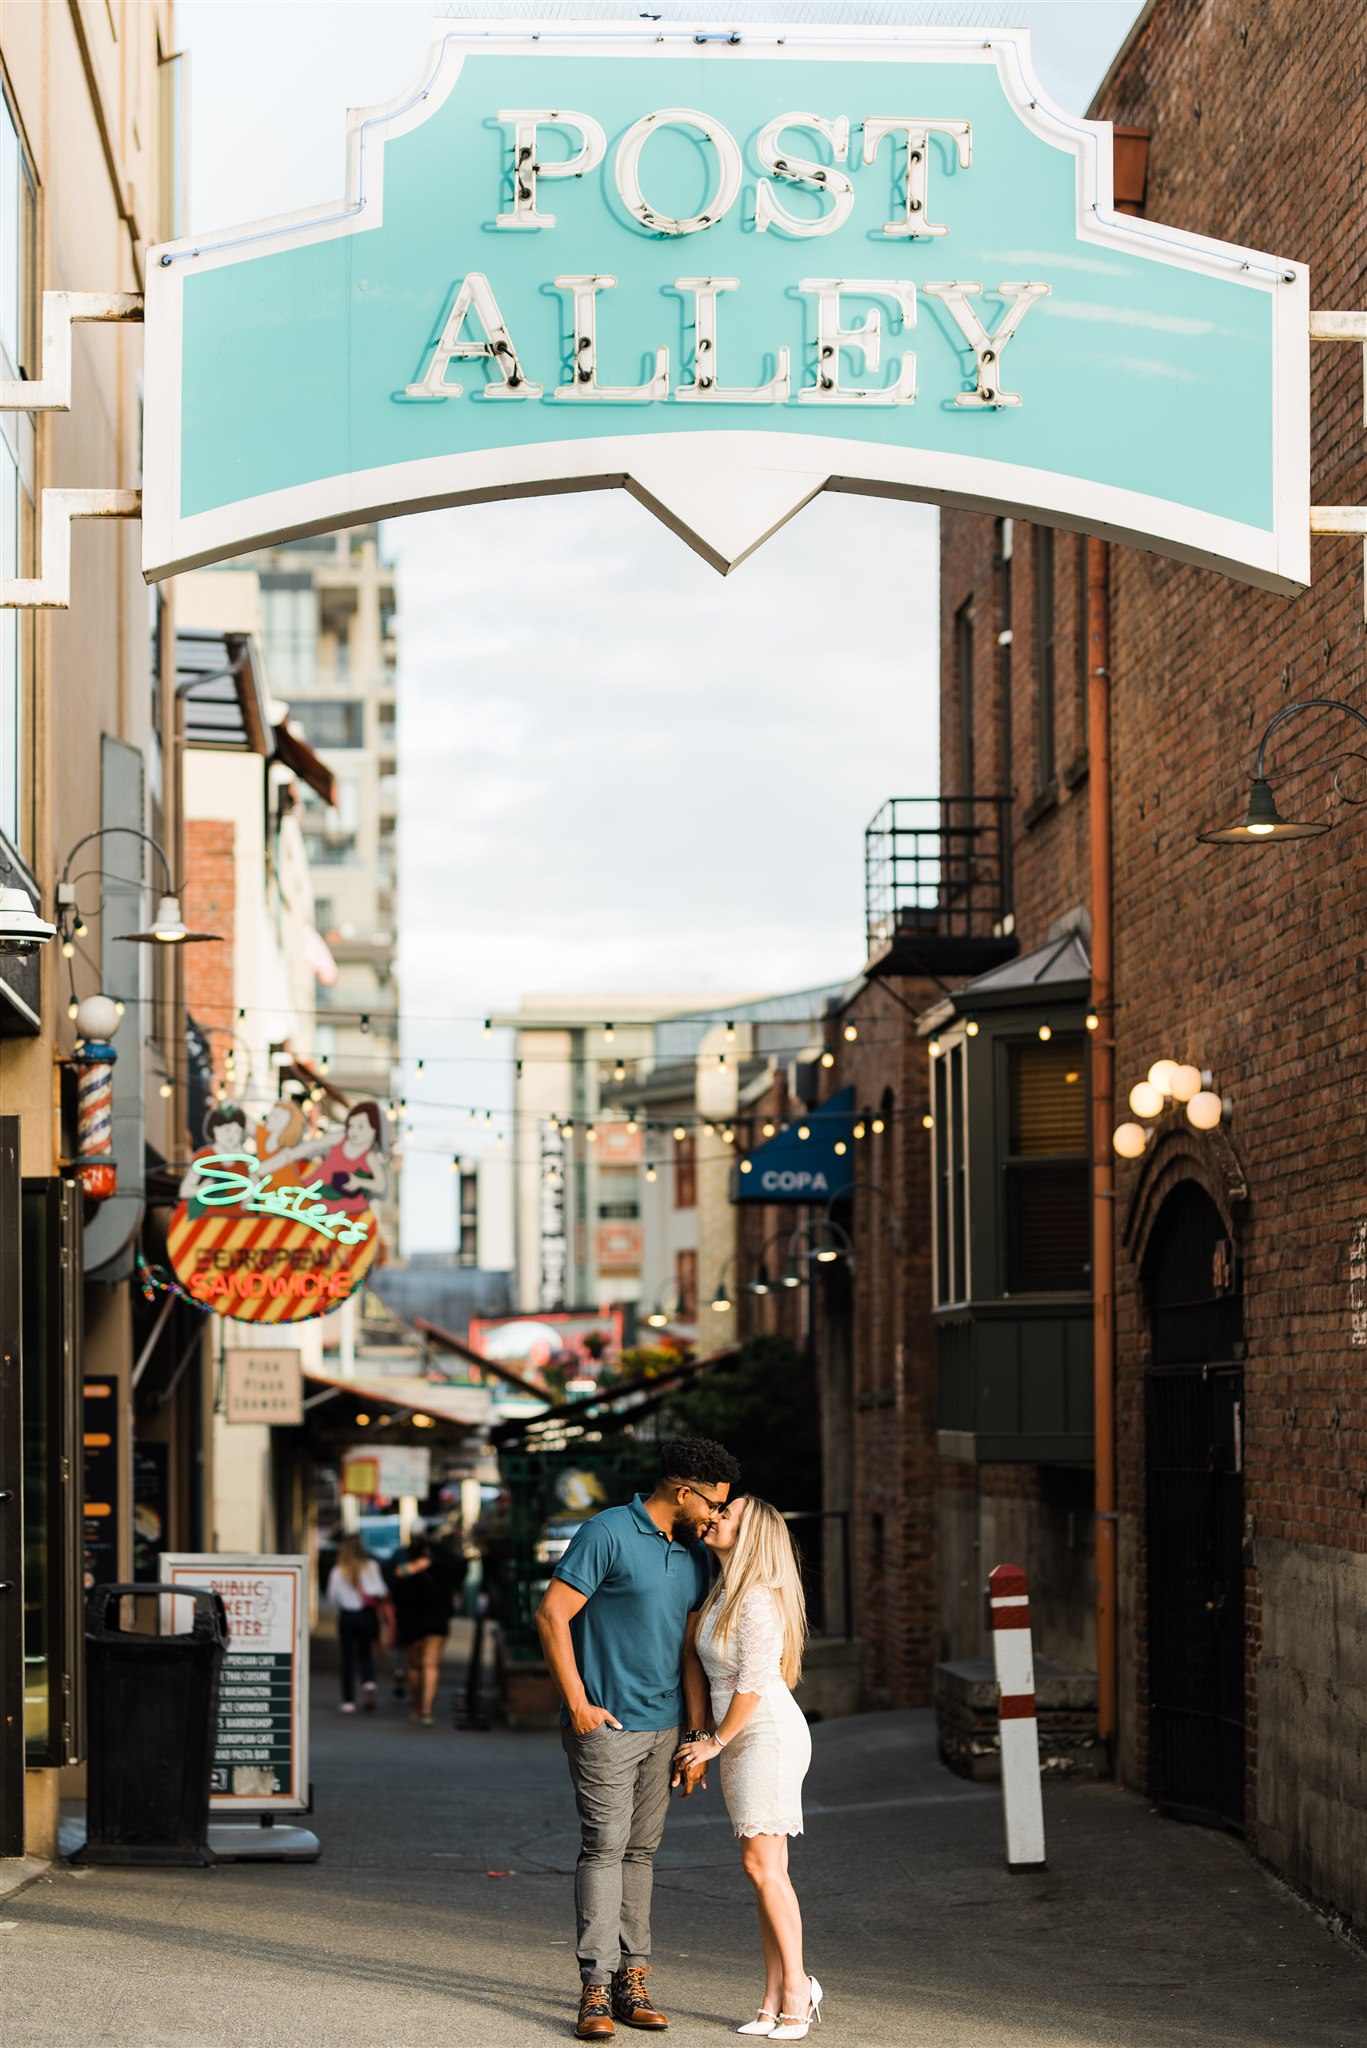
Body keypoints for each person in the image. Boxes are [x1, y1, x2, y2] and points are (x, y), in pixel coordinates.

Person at [536, 1437, 741, 2041]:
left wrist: (698, 1731)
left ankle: (634, 1978)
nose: (715, 1515)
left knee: (641, 1854)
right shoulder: (606, 1533)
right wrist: (577, 1704)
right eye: (712, 1503)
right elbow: (552, 1615)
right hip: (607, 1726)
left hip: (666, 1726)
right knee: (604, 1848)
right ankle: (594, 1989)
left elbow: (689, 1652)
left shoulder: (694, 1554)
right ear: (683, 1492)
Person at [673, 1498, 821, 2041]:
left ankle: (799, 1992)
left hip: (765, 1736)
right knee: (763, 1872)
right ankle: (772, 1996)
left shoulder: (757, 1599)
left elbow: (754, 1684)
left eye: (726, 1513)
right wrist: (708, 1737)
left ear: (750, 1533)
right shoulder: (724, 1591)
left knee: (765, 1871)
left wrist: (714, 1742)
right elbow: (696, 1664)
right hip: (741, 1738)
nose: (713, 1516)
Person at [387, 1532, 459, 1725]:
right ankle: (427, 1710)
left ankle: (416, 1706)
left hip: (411, 1622)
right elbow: (456, 1580)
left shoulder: (401, 1571)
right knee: (430, 1665)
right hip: (437, 1621)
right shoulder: (441, 1566)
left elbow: (393, 1593)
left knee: (414, 1666)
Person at [325, 1535, 390, 1714]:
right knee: (366, 1653)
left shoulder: (338, 1571)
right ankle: (368, 1683)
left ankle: (348, 1701)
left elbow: (332, 1598)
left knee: (347, 1658)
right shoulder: (372, 1567)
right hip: (367, 1616)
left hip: (347, 1617)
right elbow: (381, 1590)